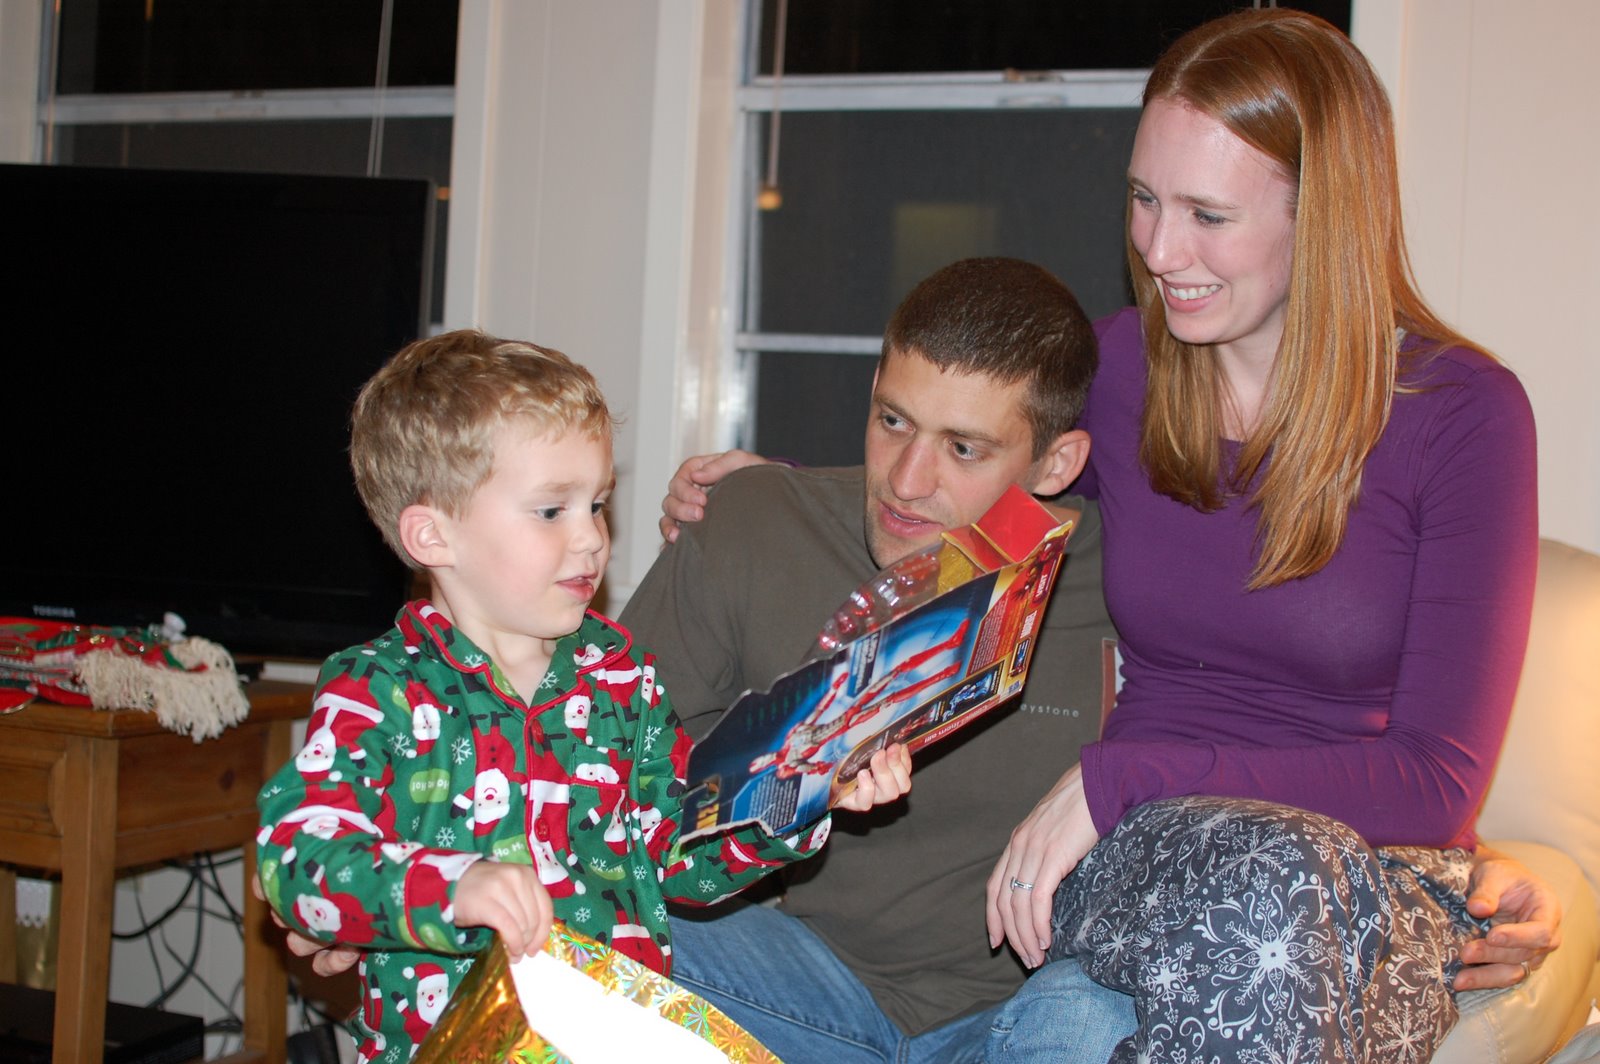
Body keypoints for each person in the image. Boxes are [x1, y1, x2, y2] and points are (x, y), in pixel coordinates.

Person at [977, 9, 1543, 1061]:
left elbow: (1435, 781)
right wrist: (765, 484)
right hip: (1154, 863)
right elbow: (973, 479)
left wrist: (1125, 776)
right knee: (1249, 906)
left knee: (1264, 897)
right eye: (1142, 199)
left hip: (1366, 883)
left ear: (1320, 213)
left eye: (1206, 214)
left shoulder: (1465, 415)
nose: (1156, 249)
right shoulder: (1118, 373)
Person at [254, 330, 910, 1062]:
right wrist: (453, 886)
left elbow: (682, 858)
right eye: (551, 511)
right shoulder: (379, 690)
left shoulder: (620, 676)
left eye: (596, 505)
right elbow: (295, 857)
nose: (592, 539)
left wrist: (806, 790)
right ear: (432, 536)